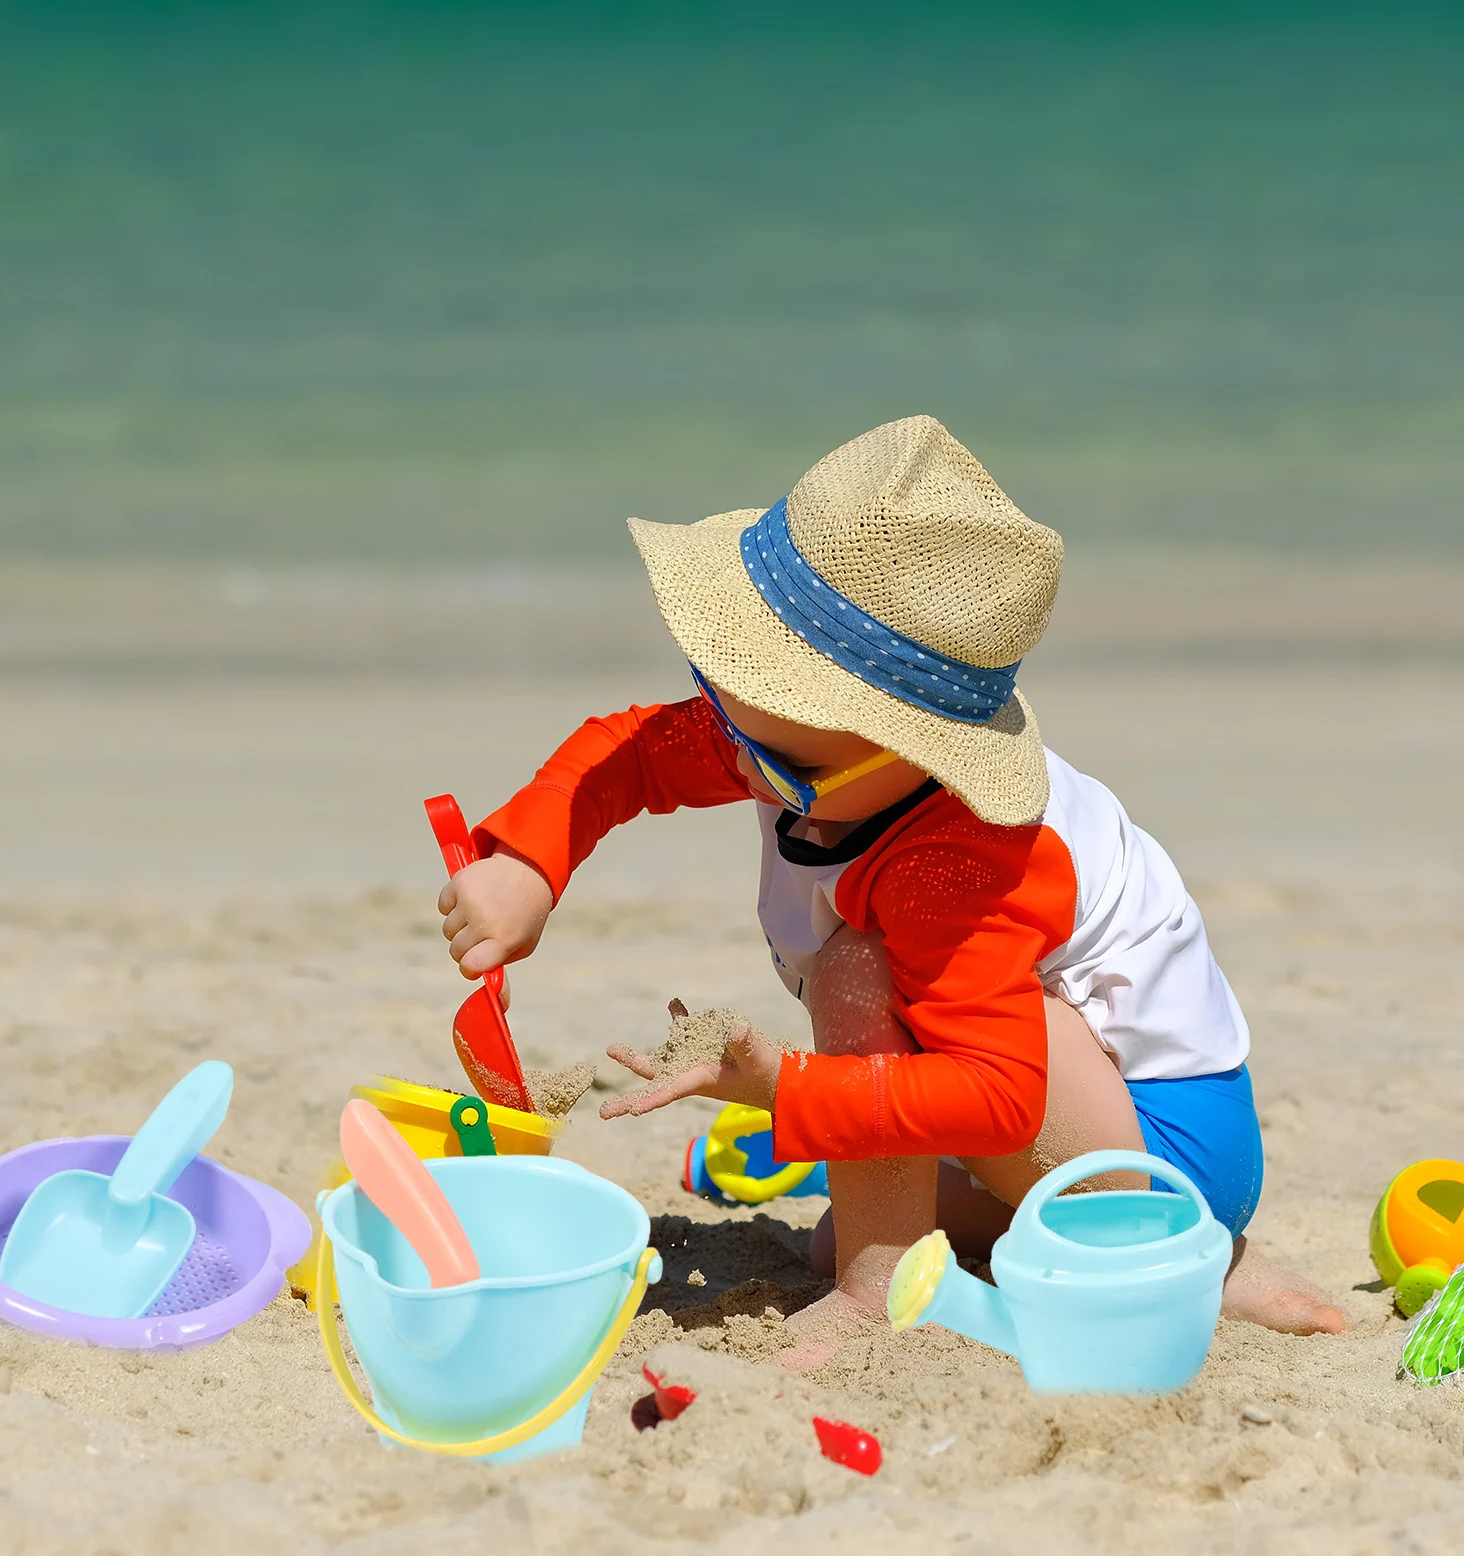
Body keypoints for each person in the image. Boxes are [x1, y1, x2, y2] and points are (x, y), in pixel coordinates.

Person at [436, 416, 1344, 1365]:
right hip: (1048, 1109)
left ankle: (1139, 1255)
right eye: (719, 698)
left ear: (914, 751)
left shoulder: (964, 857)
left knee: (855, 968)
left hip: (1157, 1149)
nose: (735, 763)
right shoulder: (787, 743)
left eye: (776, 765)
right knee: (847, 1227)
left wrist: (782, 1087)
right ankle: (1092, 1263)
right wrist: (526, 866)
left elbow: (994, 1098)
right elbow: (626, 755)